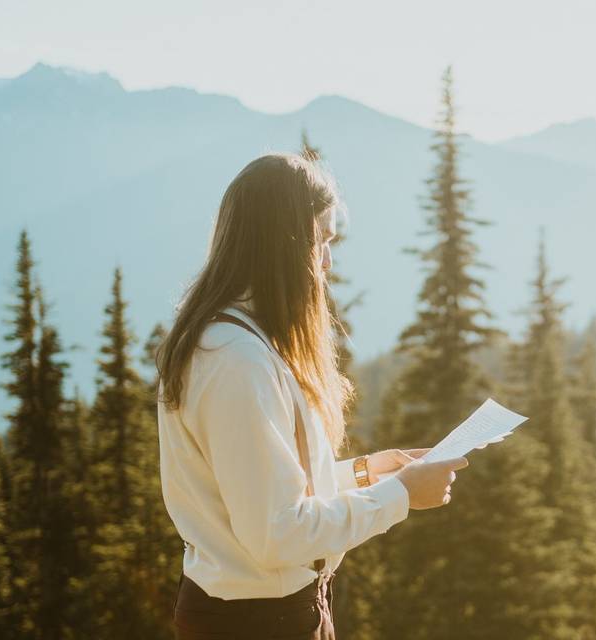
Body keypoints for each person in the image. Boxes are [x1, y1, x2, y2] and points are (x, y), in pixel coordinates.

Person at [156, 153, 468, 640]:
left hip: (263, 614)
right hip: (260, 624)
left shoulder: (235, 342)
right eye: (320, 241)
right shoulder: (236, 361)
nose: (326, 262)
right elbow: (278, 534)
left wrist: (368, 472)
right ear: (281, 243)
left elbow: (266, 492)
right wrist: (403, 494)